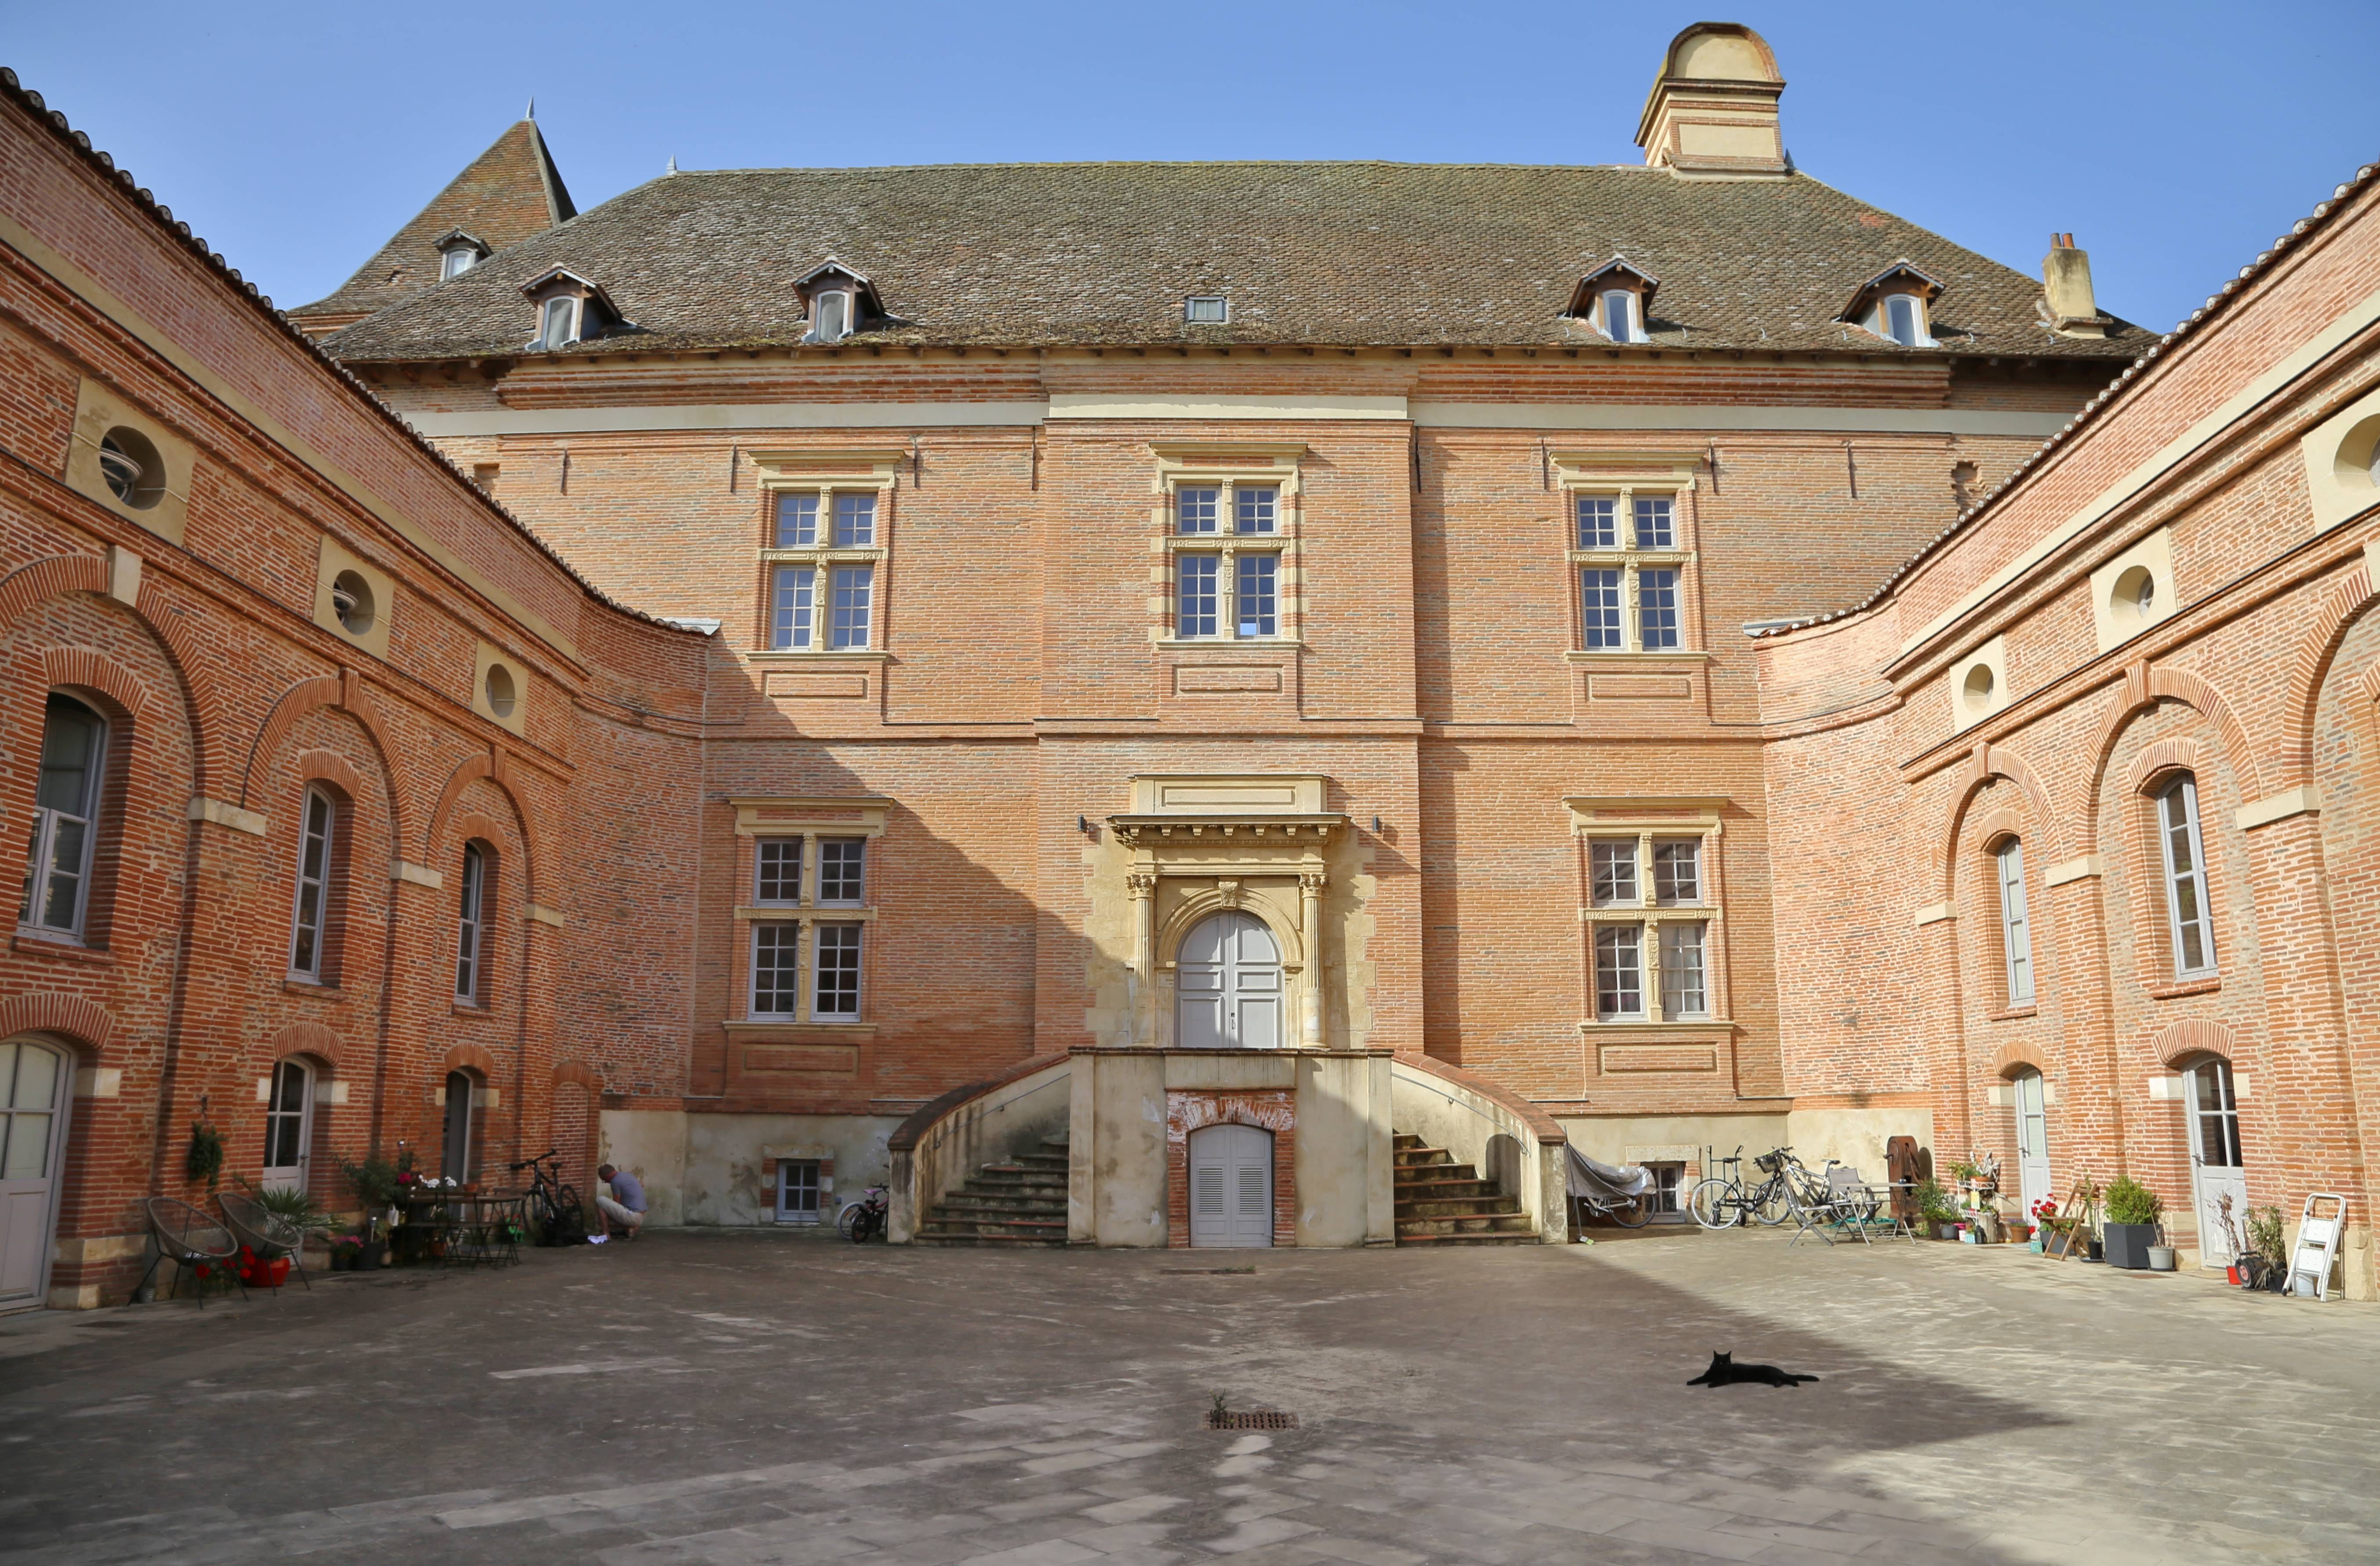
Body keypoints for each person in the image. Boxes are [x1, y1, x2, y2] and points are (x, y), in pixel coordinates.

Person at [591, 1163, 646, 1243]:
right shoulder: (628, 1176)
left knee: (600, 1200)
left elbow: (617, 1203)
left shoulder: (615, 1181)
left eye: (604, 1180)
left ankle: (606, 1234)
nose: (606, 1182)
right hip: (640, 1216)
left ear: (607, 1176)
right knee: (600, 1218)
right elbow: (642, 1185)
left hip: (633, 1216)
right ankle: (630, 1228)